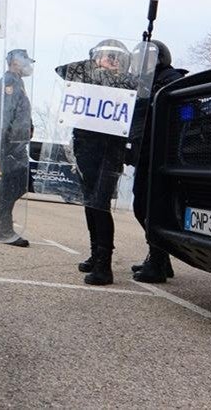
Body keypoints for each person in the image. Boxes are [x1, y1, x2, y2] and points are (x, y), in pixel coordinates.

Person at [56, 40, 137, 286]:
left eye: (117, 58)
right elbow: (62, 70)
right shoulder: (85, 74)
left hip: (110, 149)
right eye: (106, 56)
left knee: (100, 204)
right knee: (90, 203)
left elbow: (136, 87)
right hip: (85, 145)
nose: (111, 62)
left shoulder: (127, 83)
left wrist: (110, 71)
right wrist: (94, 65)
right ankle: (95, 253)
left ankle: (105, 265)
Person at [131, 40, 188, 283]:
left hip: (162, 156)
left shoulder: (170, 78)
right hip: (144, 155)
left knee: (153, 208)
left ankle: (157, 261)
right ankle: (161, 258)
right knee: (140, 206)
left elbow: (186, 112)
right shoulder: (141, 83)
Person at [0, 49, 34, 247]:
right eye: (25, 61)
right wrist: (6, 141)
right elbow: (6, 114)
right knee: (14, 183)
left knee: (20, 182)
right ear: (15, 62)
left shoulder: (17, 82)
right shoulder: (9, 82)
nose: (29, 65)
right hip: (11, 141)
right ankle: (3, 229)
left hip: (17, 140)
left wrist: (29, 127)